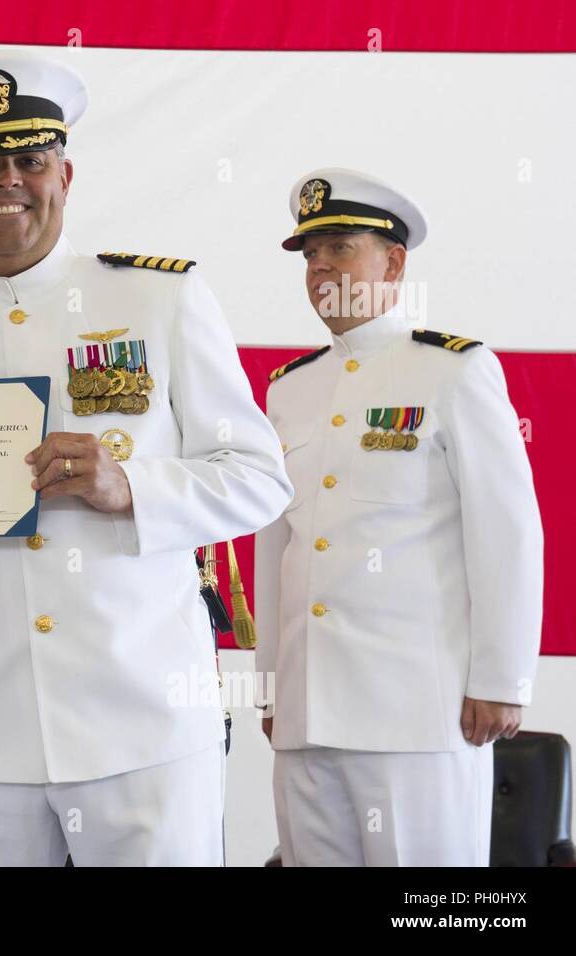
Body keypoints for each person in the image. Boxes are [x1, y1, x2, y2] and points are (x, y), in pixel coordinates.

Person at [0, 50, 291, 865]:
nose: (7, 180)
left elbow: (261, 478)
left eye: (30, 158)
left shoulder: (160, 299)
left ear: (66, 173)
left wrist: (132, 485)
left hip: (145, 721)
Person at [254, 168, 543, 865]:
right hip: (305, 713)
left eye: (339, 248)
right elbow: (276, 549)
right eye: (310, 254)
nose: (320, 267)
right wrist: (271, 685)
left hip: (415, 712)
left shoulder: (454, 371)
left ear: (393, 261)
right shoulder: (290, 388)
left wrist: (501, 682)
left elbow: (507, 532)